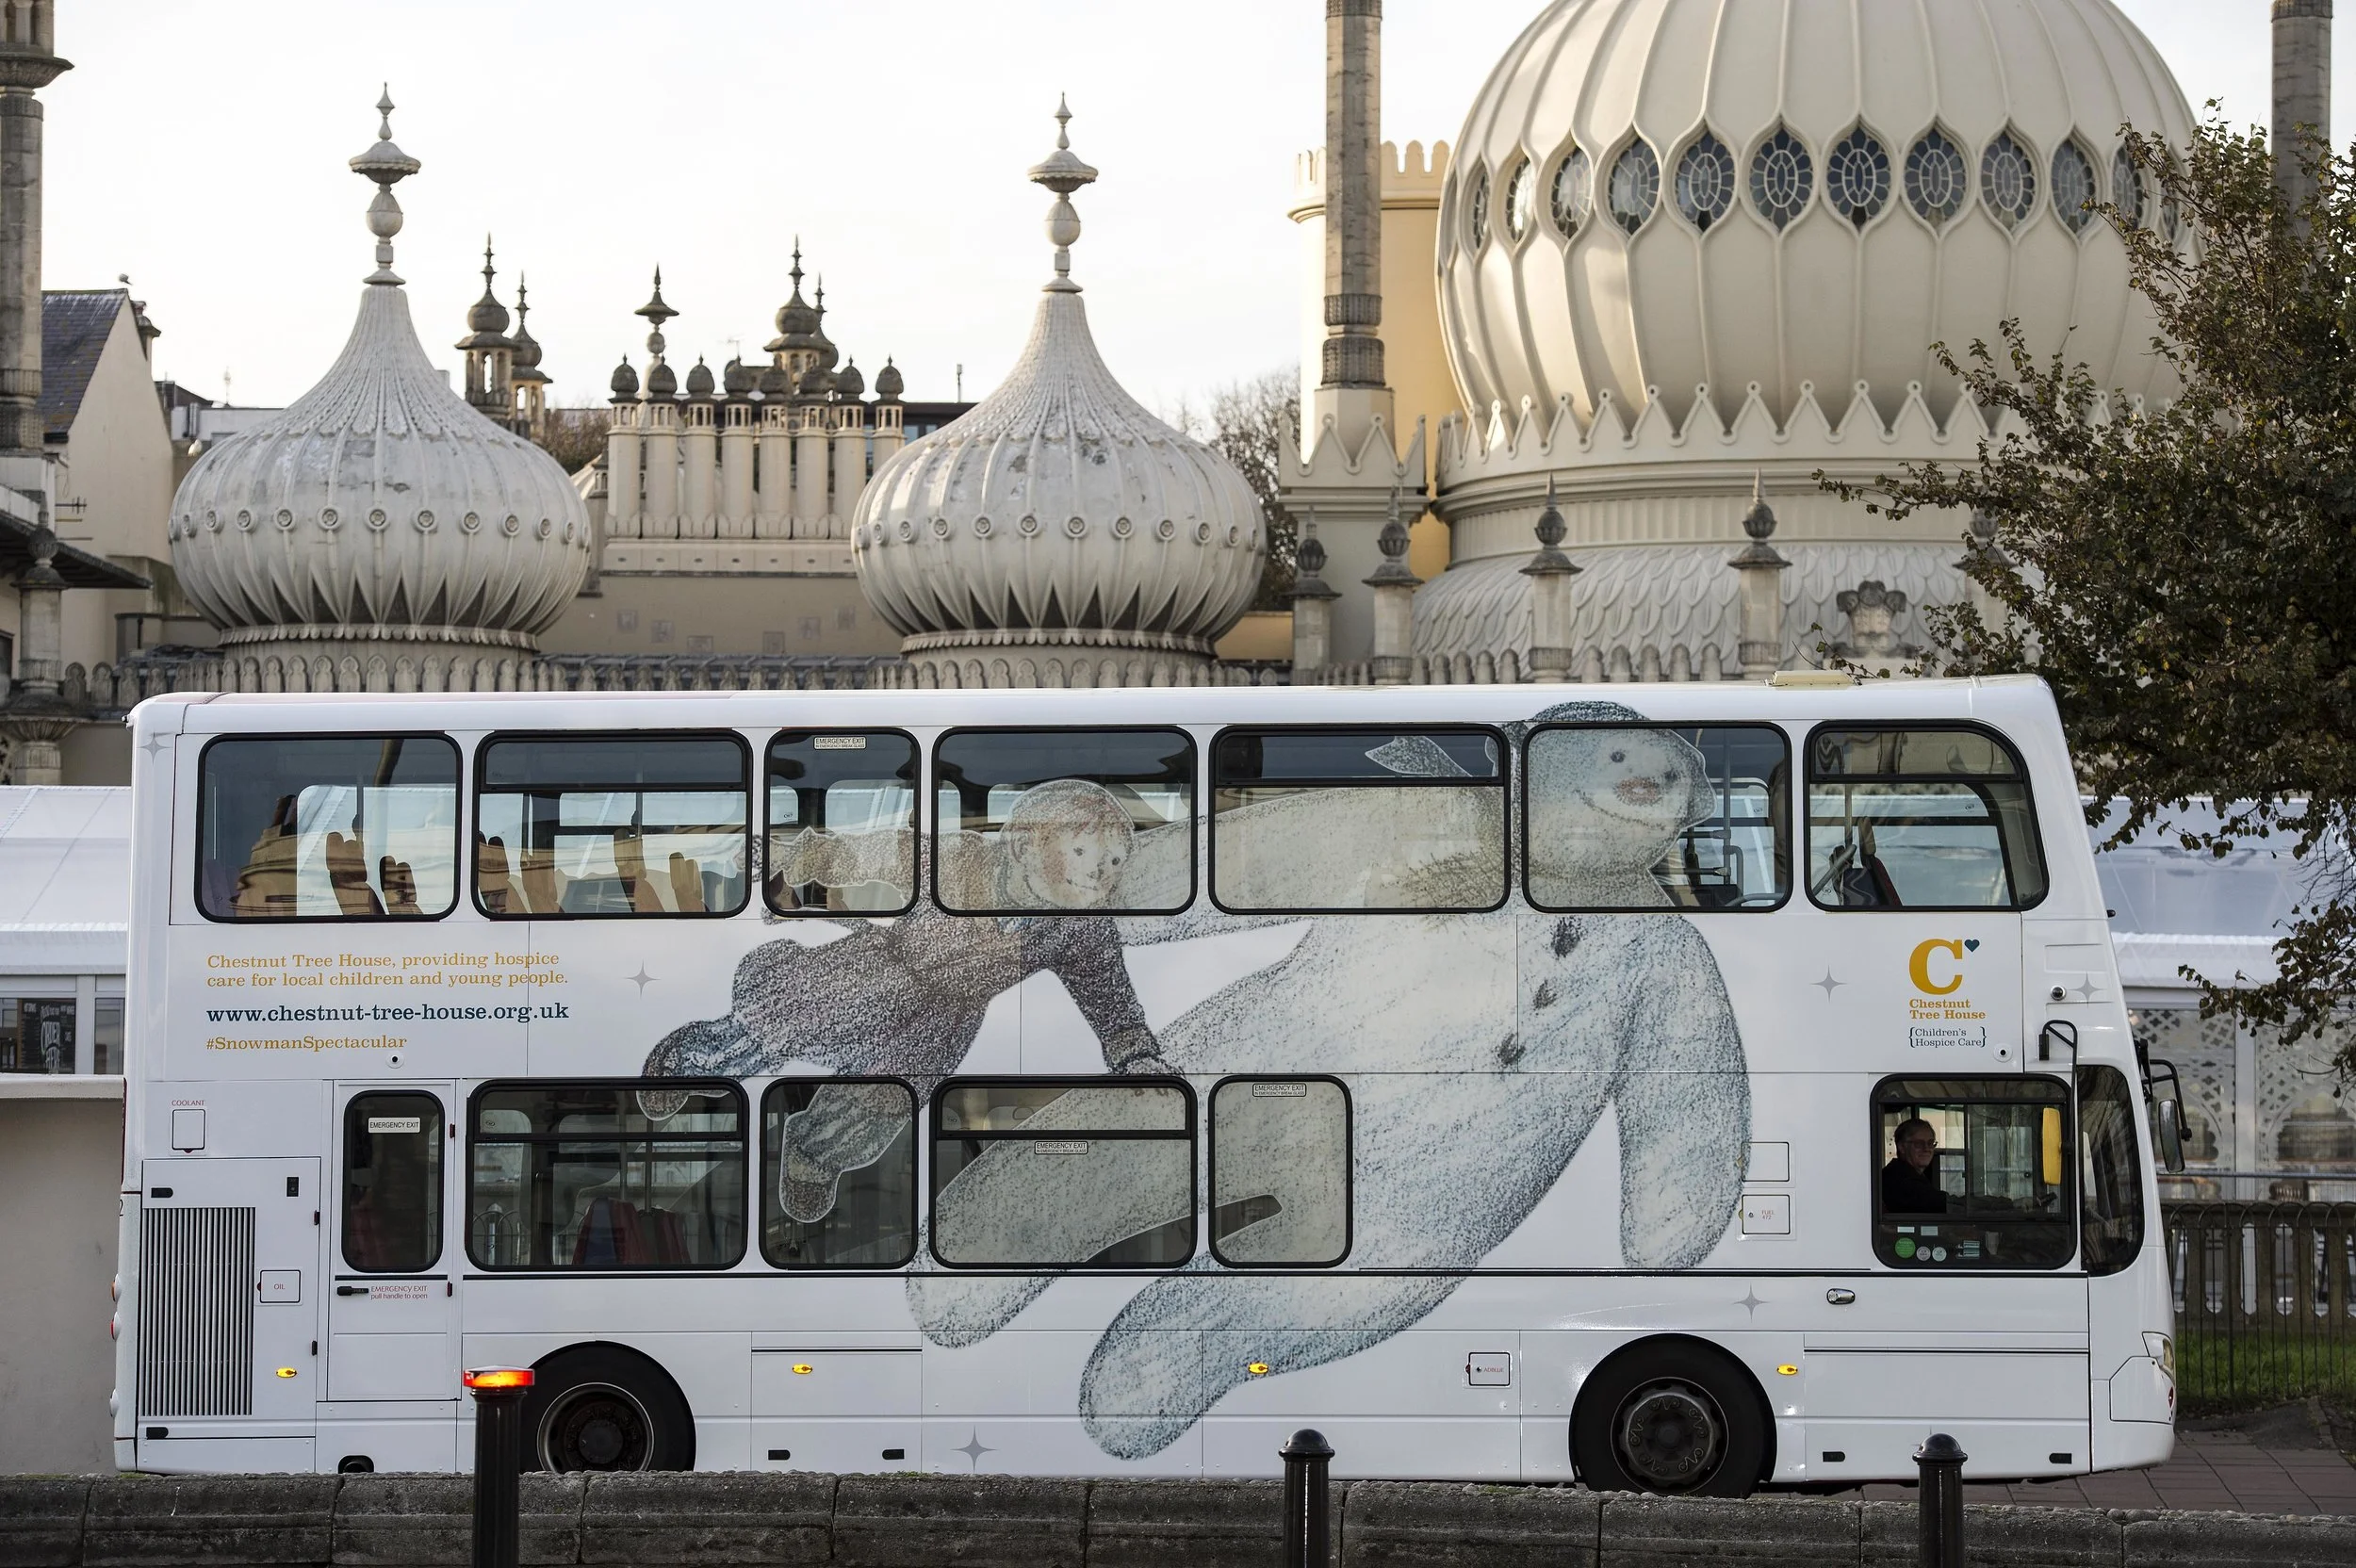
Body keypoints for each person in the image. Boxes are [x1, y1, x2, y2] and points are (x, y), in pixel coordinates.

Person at [1881, 1117, 1948, 1213]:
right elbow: (1937, 1203)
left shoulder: (1910, 1175)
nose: (1926, 1149)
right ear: (1902, 1147)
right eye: (1919, 1144)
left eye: (1930, 1143)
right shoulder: (1898, 1179)